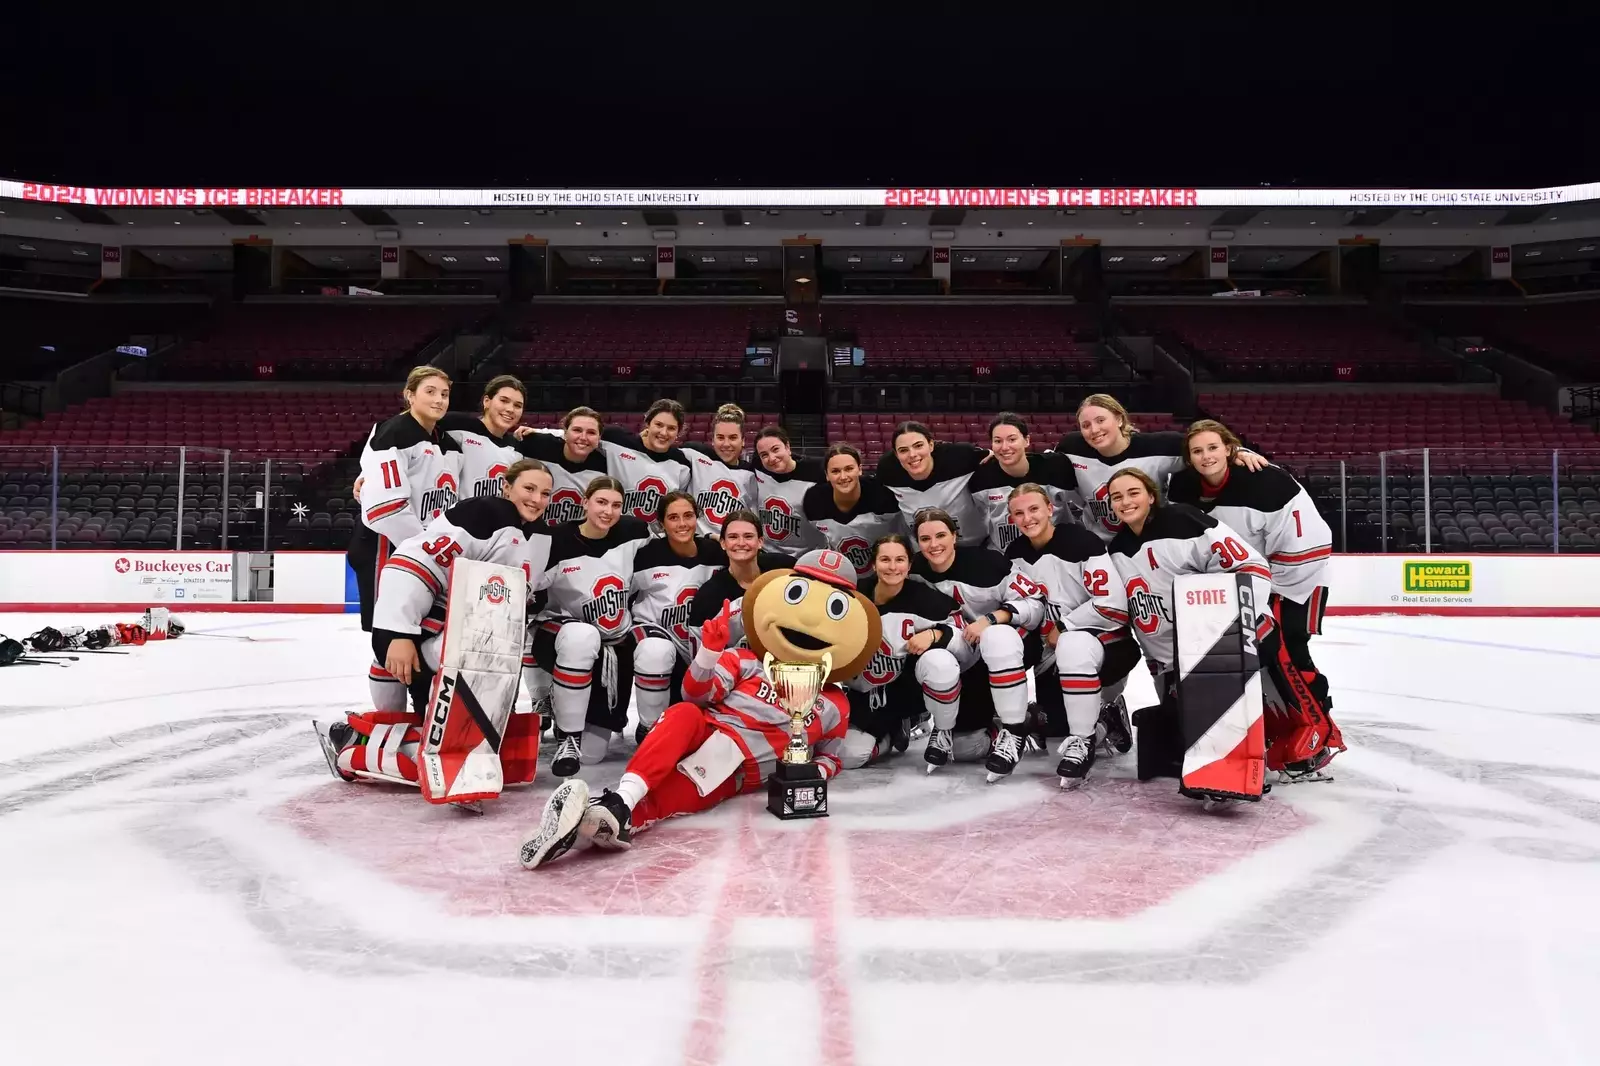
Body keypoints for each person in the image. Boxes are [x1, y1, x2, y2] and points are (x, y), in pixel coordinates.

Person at [519, 549, 882, 869]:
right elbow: (696, 694)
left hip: (738, 766)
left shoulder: (834, 701)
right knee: (683, 714)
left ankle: (599, 820)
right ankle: (622, 798)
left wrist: (806, 773)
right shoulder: (746, 660)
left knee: (668, 798)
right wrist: (709, 652)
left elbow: (832, 756)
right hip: (704, 728)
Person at [317, 458, 554, 797]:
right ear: (506, 486)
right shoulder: (495, 519)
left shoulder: (523, 529)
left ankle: (378, 736)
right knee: (470, 656)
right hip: (423, 616)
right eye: (529, 489)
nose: (537, 498)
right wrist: (399, 632)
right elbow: (413, 563)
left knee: (468, 667)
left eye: (545, 493)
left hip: (450, 624)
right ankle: (366, 740)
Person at [1103, 468, 1298, 802]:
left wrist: (1236, 626)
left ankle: (1257, 759)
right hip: (1169, 658)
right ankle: (1218, 764)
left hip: (1226, 644)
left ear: (1151, 495)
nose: (1125, 501)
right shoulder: (1117, 550)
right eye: (1117, 497)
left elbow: (1252, 568)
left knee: (1233, 720)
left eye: (1133, 492)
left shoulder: (1185, 520)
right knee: (1188, 732)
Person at [1167, 420, 1342, 778]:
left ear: (1230, 449)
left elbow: (1306, 544)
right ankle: (1276, 728)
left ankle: (1319, 732)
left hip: (1292, 581)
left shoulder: (1268, 483)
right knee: (1254, 659)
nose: (1206, 456)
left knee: (1288, 651)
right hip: (1240, 588)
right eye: (1197, 451)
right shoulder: (1182, 486)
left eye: (1214, 448)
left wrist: (1267, 594)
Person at [1000, 483, 1139, 786]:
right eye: (1019, 513)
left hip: (1106, 644)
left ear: (1050, 509)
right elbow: (1029, 605)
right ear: (1011, 519)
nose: (1028, 518)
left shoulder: (1082, 542)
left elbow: (1111, 605)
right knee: (1055, 729)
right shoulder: (1015, 553)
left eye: (1034, 509)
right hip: (1054, 652)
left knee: (1074, 647)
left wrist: (1064, 626)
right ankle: (1101, 719)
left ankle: (1092, 731)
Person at [350, 366, 463, 712]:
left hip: (422, 550)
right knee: (390, 637)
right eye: (430, 391)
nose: (439, 400)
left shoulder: (447, 442)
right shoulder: (394, 432)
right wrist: (428, 550)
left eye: (444, 394)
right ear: (410, 395)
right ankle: (391, 719)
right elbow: (388, 509)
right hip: (387, 546)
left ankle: (409, 716)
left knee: (420, 629)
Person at [530, 477, 653, 777]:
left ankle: (568, 709)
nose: (608, 511)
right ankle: (567, 736)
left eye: (615, 505)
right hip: (563, 635)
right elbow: (529, 588)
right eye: (601, 502)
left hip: (612, 649)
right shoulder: (554, 539)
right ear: (585, 501)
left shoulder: (634, 532)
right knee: (582, 637)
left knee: (593, 756)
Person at [906, 507, 1039, 781]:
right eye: (925, 539)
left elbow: (1034, 603)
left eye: (941, 535)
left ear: (955, 536)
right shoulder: (912, 570)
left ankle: (1015, 729)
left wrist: (990, 619)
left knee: (996, 635)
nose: (934, 545)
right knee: (968, 747)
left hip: (1003, 651)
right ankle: (960, 727)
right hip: (963, 658)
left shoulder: (988, 563)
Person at [1054, 393, 1266, 542]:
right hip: (1102, 545)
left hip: (1154, 540)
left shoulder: (1159, 446)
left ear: (1119, 419)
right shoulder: (1071, 447)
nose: (1095, 429)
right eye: (1086, 425)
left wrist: (1239, 452)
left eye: (1101, 420)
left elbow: (1205, 446)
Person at [840, 534, 965, 769]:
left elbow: (963, 634)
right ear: (874, 564)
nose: (893, 567)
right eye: (885, 560)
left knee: (940, 662)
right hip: (862, 690)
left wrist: (934, 635)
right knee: (849, 756)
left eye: (900, 560)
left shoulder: (923, 598)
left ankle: (921, 720)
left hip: (905, 688)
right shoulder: (851, 594)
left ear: (909, 566)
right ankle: (894, 733)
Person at [626, 491, 728, 743]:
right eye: (673, 518)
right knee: (655, 651)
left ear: (698, 517)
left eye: (688, 516)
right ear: (661, 523)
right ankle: (650, 726)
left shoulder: (716, 552)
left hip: (696, 645)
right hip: (656, 633)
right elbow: (622, 594)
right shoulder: (645, 555)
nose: (682, 524)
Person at [966, 412, 1078, 551]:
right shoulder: (981, 477)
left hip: (1054, 554)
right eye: (998, 441)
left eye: (1012, 439)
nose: (1005, 447)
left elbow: (1080, 504)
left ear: (1027, 440)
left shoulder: (1055, 467)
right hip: (1004, 557)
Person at [687, 508, 792, 650]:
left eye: (748, 536)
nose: (741, 543)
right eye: (733, 537)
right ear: (723, 543)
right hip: (737, 667)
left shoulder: (784, 568)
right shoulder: (709, 596)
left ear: (760, 541)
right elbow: (701, 658)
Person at [877, 420, 990, 548]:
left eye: (918, 445)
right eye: (903, 450)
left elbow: (994, 456)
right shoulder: (888, 470)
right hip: (926, 553)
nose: (912, 454)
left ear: (931, 445)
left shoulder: (960, 457)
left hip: (974, 547)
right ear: (896, 454)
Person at [802, 443, 903, 580]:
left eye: (849, 469)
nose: (843, 477)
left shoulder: (883, 497)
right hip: (838, 576)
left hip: (882, 576)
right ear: (827, 475)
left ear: (860, 469)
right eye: (835, 471)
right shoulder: (814, 501)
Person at [514, 406, 613, 526]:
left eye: (591, 433)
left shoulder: (606, 464)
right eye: (577, 430)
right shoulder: (537, 445)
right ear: (565, 432)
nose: (583, 437)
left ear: (599, 438)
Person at [600, 398, 693, 524]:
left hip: (656, 540)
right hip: (616, 535)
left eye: (671, 428)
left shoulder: (682, 464)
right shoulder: (616, 440)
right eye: (658, 425)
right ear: (648, 423)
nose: (663, 433)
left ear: (678, 431)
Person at [679, 403, 760, 538]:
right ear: (712, 440)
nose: (726, 444)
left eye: (733, 438)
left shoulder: (752, 474)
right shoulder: (694, 457)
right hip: (697, 544)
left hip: (732, 547)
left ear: (743, 441)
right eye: (720, 437)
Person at [753, 425, 828, 555]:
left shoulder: (817, 471)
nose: (771, 458)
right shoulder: (757, 470)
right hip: (767, 554)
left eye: (775, 449)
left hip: (808, 557)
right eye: (764, 455)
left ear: (787, 447)